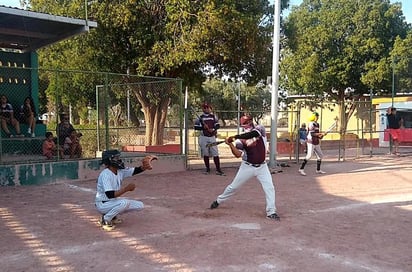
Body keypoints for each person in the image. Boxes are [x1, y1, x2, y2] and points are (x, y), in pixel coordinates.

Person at [209, 115, 280, 221]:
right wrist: (231, 145)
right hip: (247, 166)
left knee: (269, 187)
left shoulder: (260, 129)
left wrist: (235, 136)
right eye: (246, 122)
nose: (249, 123)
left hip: (262, 166)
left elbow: (253, 134)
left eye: (250, 121)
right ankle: (218, 201)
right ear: (242, 125)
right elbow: (238, 154)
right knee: (234, 187)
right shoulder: (239, 140)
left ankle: (271, 212)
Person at [95, 150, 157, 231]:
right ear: (110, 160)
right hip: (103, 203)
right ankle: (105, 219)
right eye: (116, 158)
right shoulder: (105, 174)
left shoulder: (119, 170)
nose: (119, 160)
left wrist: (144, 167)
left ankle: (112, 216)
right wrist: (126, 189)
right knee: (124, 202)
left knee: (140, 205)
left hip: (112, 202)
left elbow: (134, 171)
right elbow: (110, 195)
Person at [194, 102, 224, 175]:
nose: (206, 109)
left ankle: (218, 169)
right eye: (205, 107)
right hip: (203, 137)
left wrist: (213, 129)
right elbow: (195, 127)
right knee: (205, 153)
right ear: (203, 109)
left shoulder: (213, 117)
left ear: (210, 108)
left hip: (212, 137)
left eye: (208, 107)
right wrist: (203, 127)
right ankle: (207, 169)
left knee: (215, 153)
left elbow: (217, 125)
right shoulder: (200, 118)